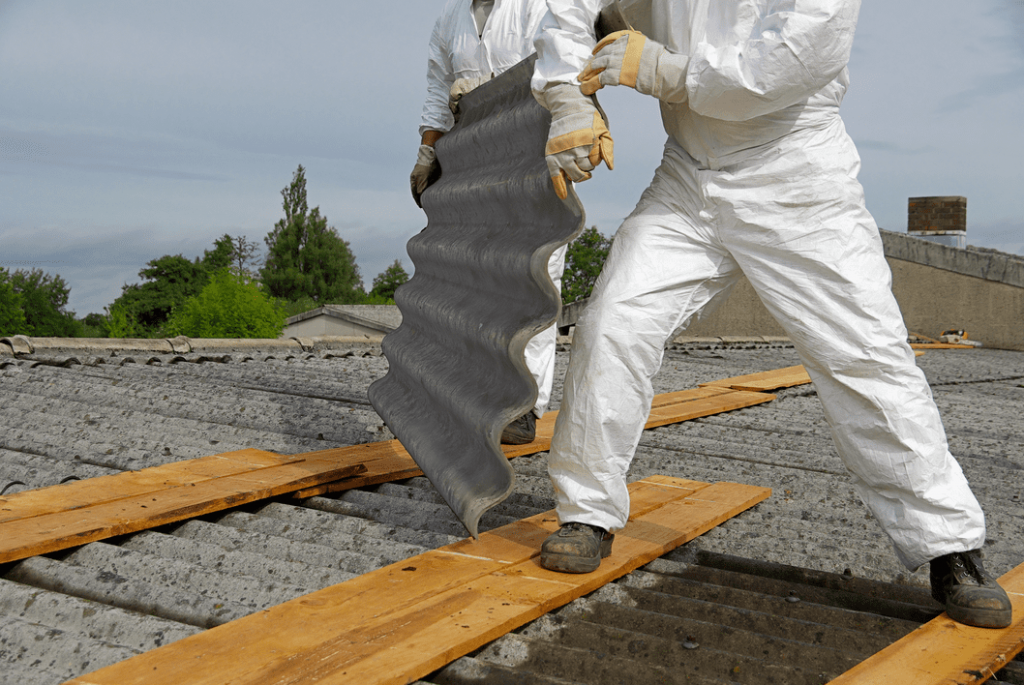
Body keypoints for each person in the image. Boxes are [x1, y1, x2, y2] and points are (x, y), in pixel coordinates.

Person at [529, 0, 1012, 630]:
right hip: (688, 177)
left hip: (796, 176)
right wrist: (569, 98)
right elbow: (571, 7)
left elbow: (778, 68)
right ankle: (586, 512)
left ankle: (949, 546)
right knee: (611, 324)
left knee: (865, 356)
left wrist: (661, 70)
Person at [412, 0, 565, 444]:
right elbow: (437, 90)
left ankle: (524, 405)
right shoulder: (451, 20)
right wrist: (428, 151)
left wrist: (496, 89)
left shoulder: (536, 6)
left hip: (534, 149)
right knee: (475, 275)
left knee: (535, 275)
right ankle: (472, 392)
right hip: (474, 158)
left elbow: (563, 66)